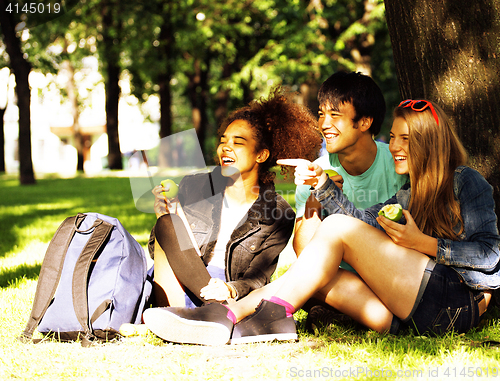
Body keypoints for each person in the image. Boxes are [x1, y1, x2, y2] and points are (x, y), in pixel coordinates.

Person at [142, 99, 500, 345]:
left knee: (333, 231)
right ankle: (224, 317)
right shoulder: (406, 196)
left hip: (452, 305)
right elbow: (362, 224)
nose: (393, 146)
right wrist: (323, 185)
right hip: (406, 315)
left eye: (405, 139)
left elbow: (492, 257)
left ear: (430, 142)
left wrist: (421, 243)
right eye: (393, 137)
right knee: (316, 275)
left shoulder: (465, 182)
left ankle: (264, 319)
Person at [148, 86, 322, 309]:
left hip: (227, 293)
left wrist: (230, 289)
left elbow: (258, 278)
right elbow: (161, 251)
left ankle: (211, 313)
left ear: (261, 155)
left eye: (238, 142)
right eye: (223, 140)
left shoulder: (279, 213)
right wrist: (166, 214)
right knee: (167, 223)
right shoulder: (194, 186)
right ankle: (210, 313)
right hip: (179, 286)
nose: (225, 148)